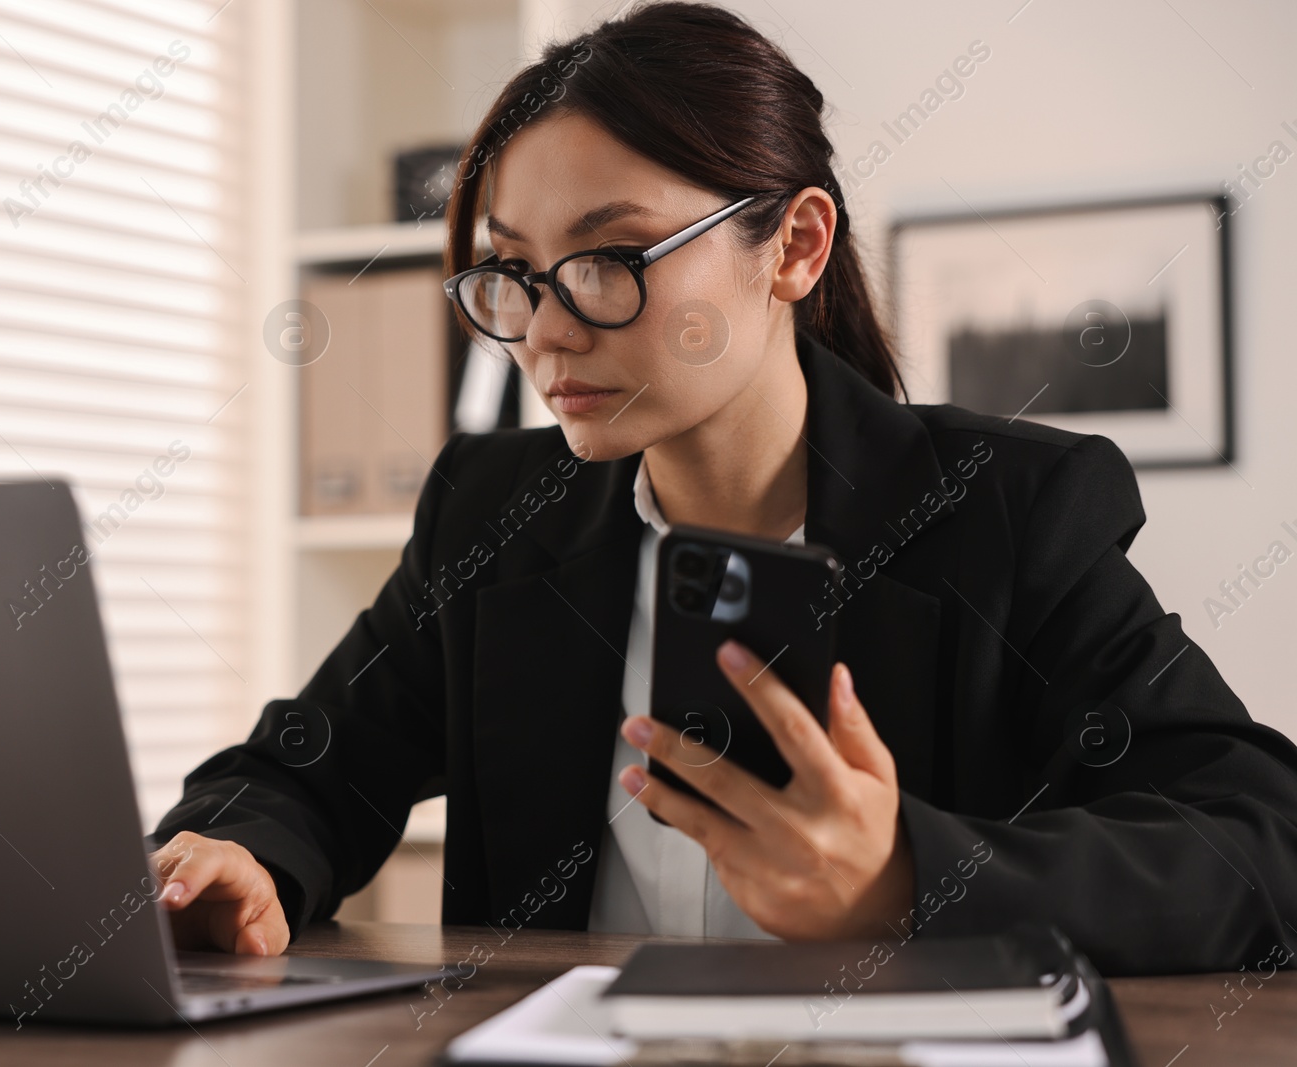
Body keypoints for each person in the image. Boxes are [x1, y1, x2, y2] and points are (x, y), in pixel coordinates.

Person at [146, 1, 1297, 974]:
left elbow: (1258, 841)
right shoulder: (494, 513)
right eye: (512, 272)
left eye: (609, 260)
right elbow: (307, 762)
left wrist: (907, 878)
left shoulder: (1003, 510)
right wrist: (240, 854)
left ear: (793, 247)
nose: (544, 332)